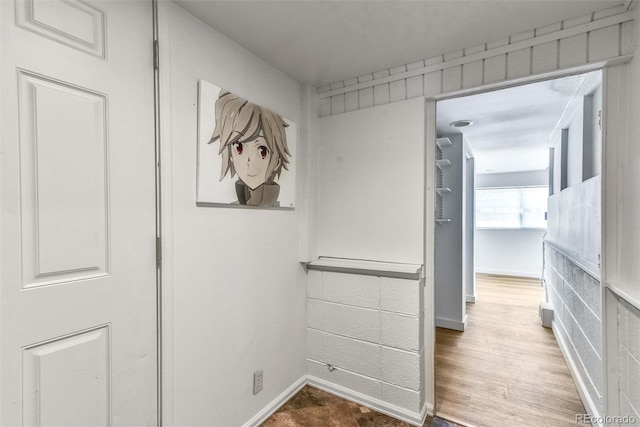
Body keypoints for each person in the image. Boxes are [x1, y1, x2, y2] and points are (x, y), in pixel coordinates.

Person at [209, 90, 291, 207]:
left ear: (277, 161)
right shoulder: (232, 207)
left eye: (262, 151)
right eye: (239, 148)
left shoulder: (279, 211)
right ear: (231, 156)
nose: (249, 160)